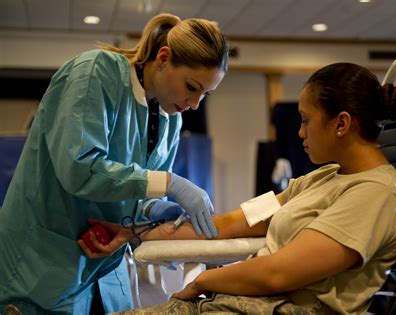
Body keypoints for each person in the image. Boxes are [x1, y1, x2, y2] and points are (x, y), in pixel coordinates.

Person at [79, 63, 396, 314]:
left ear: (341, 123)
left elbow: (277, 274)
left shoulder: (377, 194)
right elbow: (233, 222)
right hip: (244, 302)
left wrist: (203, 281)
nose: (300, 134)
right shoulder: (321, 179)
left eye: (305, 120)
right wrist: (134, 233)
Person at [0, 13, 228, 315]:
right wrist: (169, 183)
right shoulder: (95, 74)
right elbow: (79, 169)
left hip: (105, 267)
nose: (195, 103)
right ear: (163, 58)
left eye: (205, 94)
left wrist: (153, 207)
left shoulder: (170, 119)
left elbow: (140, 190)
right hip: (43, 262)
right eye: (191, 86)